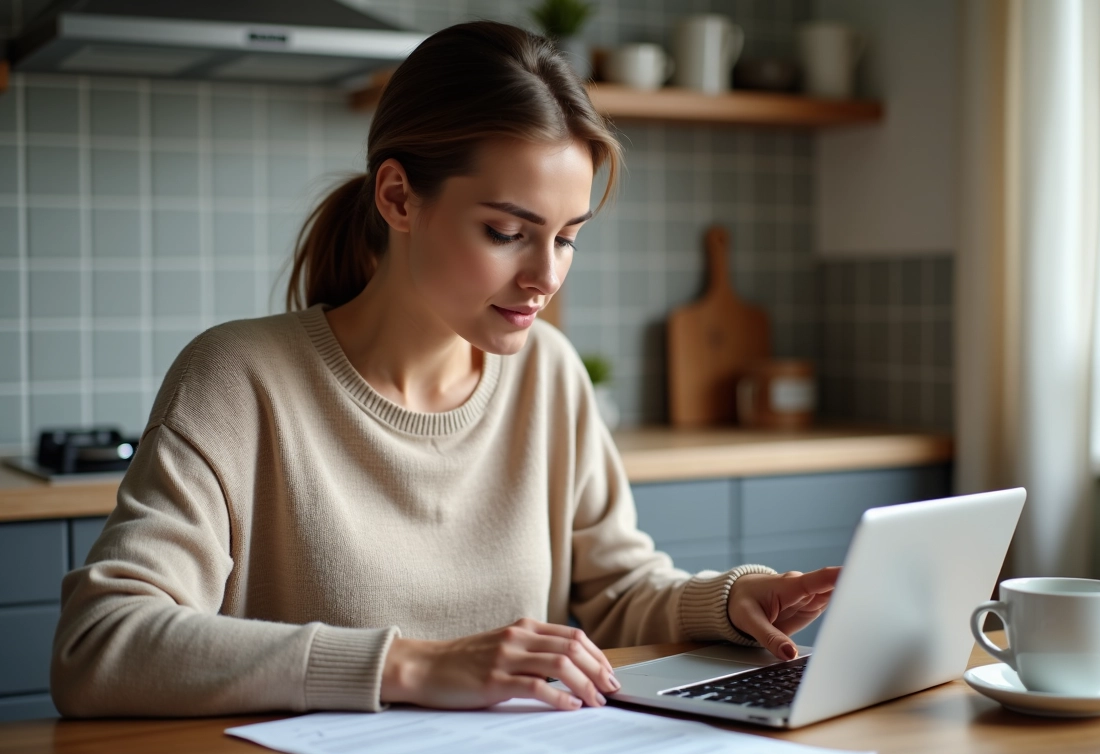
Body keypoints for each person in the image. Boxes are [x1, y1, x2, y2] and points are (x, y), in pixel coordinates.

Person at [50, 21, 839, 718]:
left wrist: (732, 602)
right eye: (506, 231)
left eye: (566, 236)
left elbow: (613, 597)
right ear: (398, 196)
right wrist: (415, 665)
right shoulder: (239, 380)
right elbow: (100, 645)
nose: (545, 277)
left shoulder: (550, 376)